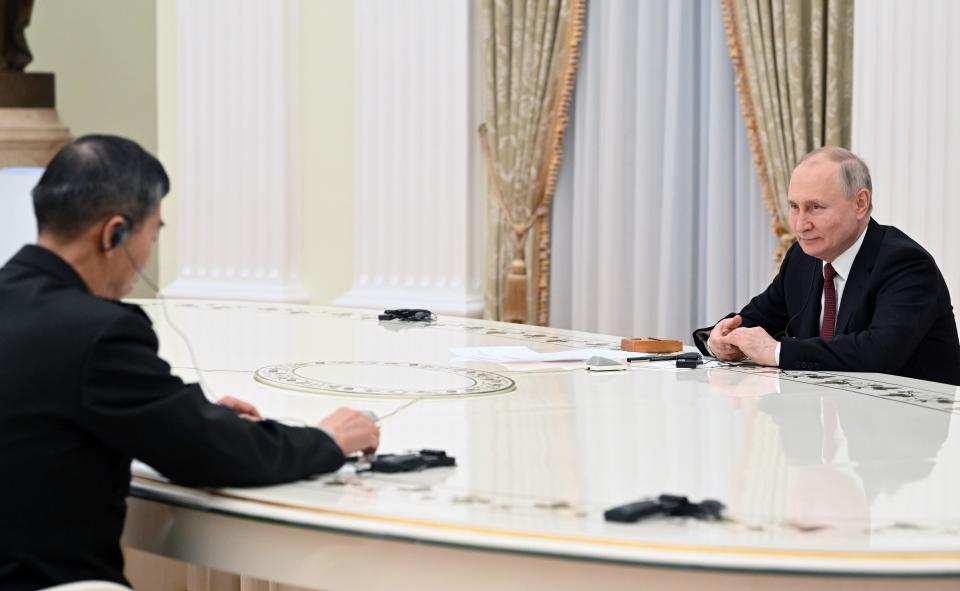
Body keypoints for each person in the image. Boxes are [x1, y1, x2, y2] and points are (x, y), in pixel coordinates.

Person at [0, 135, 380, 589]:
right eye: (153, 233)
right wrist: (327, 439)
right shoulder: (96, 333)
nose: (147, 255)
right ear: (114, 233)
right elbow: (210, 455)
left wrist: (193, 416)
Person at [695, 146, 960, 386]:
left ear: (860, 203)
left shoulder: (906, 264)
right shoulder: (802, 257)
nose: (800, 225)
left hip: (905, 427)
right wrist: (721, 338)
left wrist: (777, 352)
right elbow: (756, 319)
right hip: (820, 422)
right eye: (794, 207)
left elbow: (879, 352)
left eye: (815, 207)